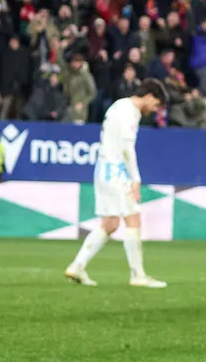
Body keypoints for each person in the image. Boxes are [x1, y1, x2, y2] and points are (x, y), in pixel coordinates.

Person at [65, 80, 169, 288]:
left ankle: (77, 266)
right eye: (156, 104)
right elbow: (126, 148)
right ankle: (138, 275)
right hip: (117, 171)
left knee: (110, 224)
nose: (155, 109)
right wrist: (135, 179)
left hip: (102, 169)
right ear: (149, 96)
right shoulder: (131, 112)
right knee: (133, 219)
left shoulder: (118, 105)